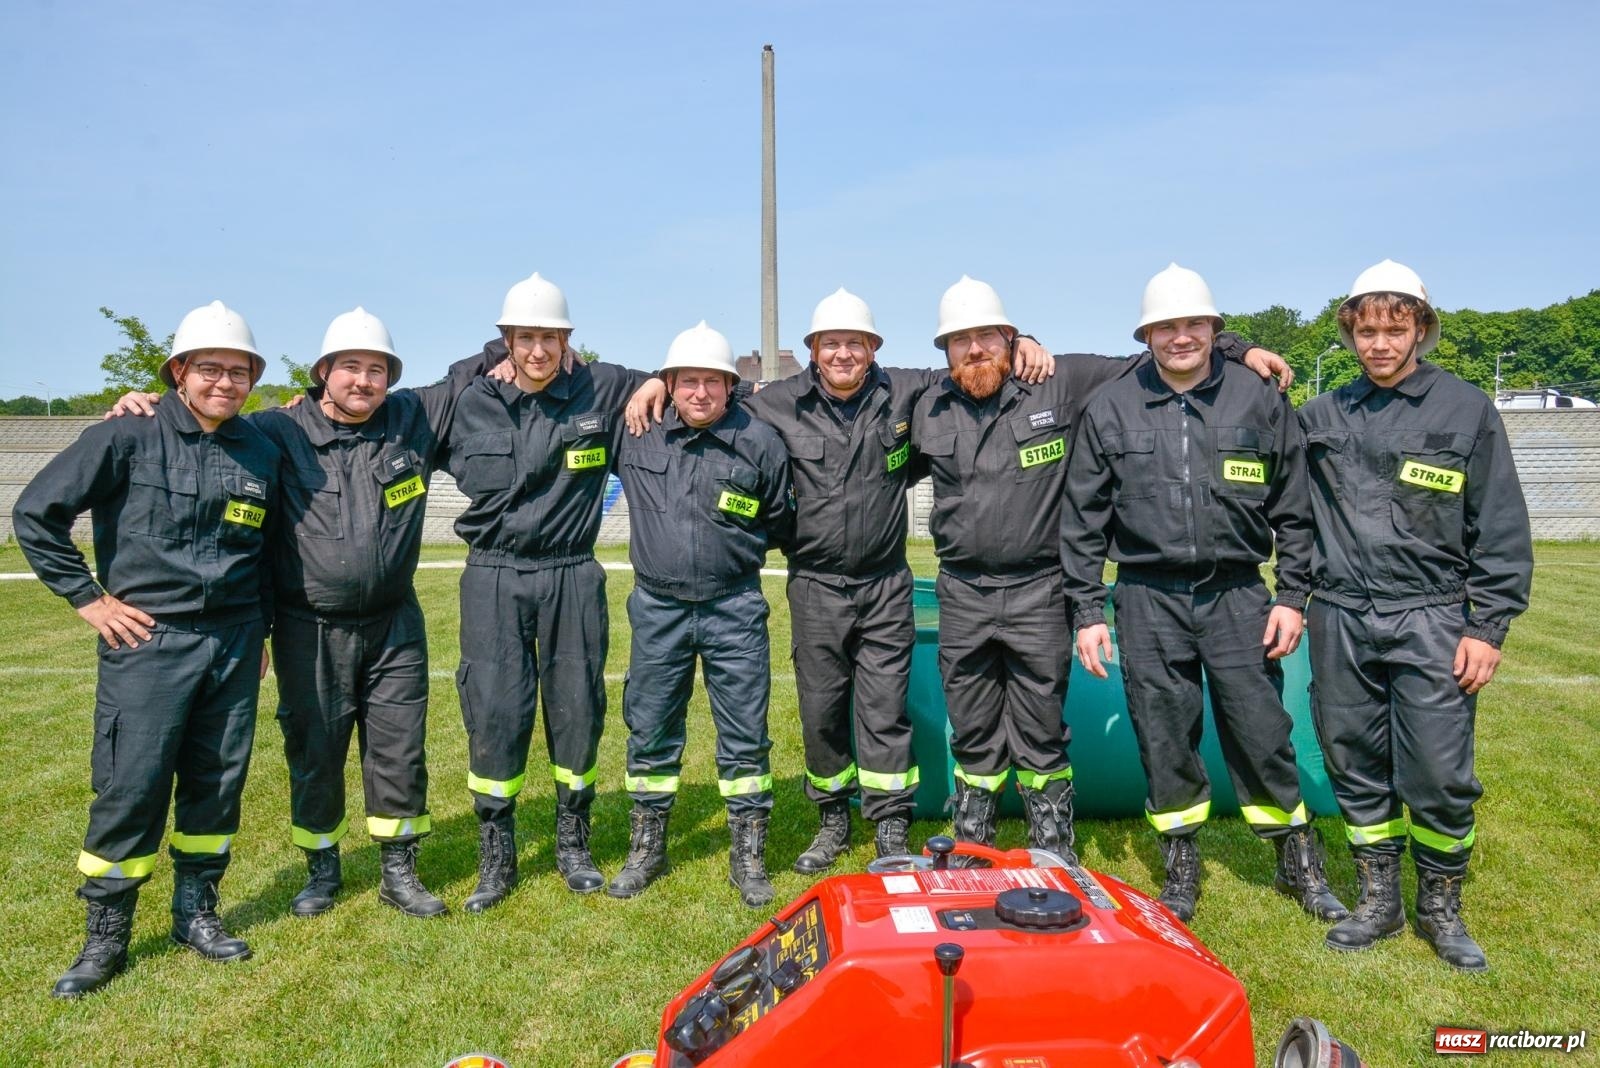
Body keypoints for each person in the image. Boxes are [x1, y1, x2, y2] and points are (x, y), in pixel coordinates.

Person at [622, 289, 1055, 873]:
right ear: (813, 351)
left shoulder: (907, 391)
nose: (844, 354)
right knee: (821, 709)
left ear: (874, 348)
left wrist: (1020, 337)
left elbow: (973, 357)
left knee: (884, 709)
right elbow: (710, 388)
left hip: (885, 584)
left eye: (856, 343)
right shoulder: (773, 402)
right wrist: (656, 377)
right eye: (832, 344)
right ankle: (832, 821)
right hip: (816, 586)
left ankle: (890, 827)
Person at [910, 276, 1288, 860]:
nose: (975, 348)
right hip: (963, 592)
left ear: (1011, 337)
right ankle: (972, 845)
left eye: (988, 334)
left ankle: (1052, 845)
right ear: (944, 351)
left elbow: (1165, 352)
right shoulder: (927, 400)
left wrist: (1238, 348)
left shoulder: (1061, 380)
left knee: (1040, 723)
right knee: (972, 721)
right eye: (960, 340)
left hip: (1040, 587)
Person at [1061, 264, 1348, 923]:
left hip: (1238, 596)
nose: (1180, 336)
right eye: (1166, 326)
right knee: (1163, 733)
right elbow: (1082, 520)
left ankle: (1297, 865)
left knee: (1261, 730)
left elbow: (1296, 511)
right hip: (1145, 596)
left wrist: (1292, 596)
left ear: (1214, 330)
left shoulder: (1257, 399)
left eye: (1193, 324)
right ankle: (1181, 869)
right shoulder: (1112, 406)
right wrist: (1086, 610)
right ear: (1147, 334)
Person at [14, 301, 280, 997]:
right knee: (131, 787)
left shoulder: (259, 448)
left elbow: (270, 552)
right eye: (212, 368)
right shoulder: (126, 435)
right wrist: (89, 598)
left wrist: (263, 634)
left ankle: (197, 913)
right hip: (149, 640)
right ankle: (106, 934)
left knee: (216, 784)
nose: (226, 382)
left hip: (234, 639)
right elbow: (36, 513)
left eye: (240, 371)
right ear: (179, 372)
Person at [1300, 260, 1532, 972]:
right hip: (1339, 615)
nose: (1378, 344)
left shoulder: (1466, 410)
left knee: (1437, 770)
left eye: (1394, 329)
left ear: (1421, 329)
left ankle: (1441, 907)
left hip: (1431, 617)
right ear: (1349, 332)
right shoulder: (1322, 416)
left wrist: (1487, 627)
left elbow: (1499, 525)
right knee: (1354, 761)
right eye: (1365, 330)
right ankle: (1380, 901)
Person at [439, 273, 653, 909]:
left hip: (571, 572)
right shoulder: (464, 394)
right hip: (493, 572)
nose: (538, 351)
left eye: (550, 338)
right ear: (504, 339)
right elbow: (378, 411)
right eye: (525, 338)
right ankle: (496, 854)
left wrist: (656, 382)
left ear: (568, 340)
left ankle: (573, 838)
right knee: (495, 709)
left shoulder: (599, 386)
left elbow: (662, 379)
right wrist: (303, 404)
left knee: (577, 706)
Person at [608, 322, 793, 906]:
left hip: (734, 605)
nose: (700, 393)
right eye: (687, 381)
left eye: (713, 381)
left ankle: (748, 851)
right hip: (657, 607)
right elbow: (578, 384)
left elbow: (782, 519)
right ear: (669, 383)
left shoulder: (759, 441)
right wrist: (638, 385)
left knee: (744, 733)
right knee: (651, 727)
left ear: (730, 387)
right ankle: (647, 844)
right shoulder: (635, 433)